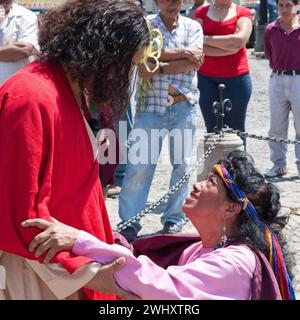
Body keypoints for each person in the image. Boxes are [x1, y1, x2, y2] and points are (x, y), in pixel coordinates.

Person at [0, 0, 150, 300]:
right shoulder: (30, 97)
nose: (123, 78)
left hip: (70, 268)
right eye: (125, 66)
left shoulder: (68, 89)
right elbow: (21, 215)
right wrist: (91, 272)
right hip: (40, 275)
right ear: (102, 53)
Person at [22, 150, 296, 300]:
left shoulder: (235, 262)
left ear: (230, 208)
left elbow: (163, 287)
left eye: (211, 183)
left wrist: (81, 241)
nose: (197, 184)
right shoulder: (201, 249)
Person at [117, 0, 204, 242]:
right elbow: (143, 55)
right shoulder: (144, 26)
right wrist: (183, 53)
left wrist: (159, 67)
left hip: (183, 105)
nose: (172, 3)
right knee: (139, 166)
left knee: (184, 165)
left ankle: (174, 218)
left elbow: (194, 61)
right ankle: (130, 222)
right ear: (156, 1)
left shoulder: (193, 27)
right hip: (150, 107)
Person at [194, 0, 252, 136]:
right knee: (211, 129)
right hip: (205, 78)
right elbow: (194, 41)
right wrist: (229, 48)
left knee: (236, 130)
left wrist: (205, 39)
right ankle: (215, 158)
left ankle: (236, 158)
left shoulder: (242, 12)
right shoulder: (201, 12)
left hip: (237, 78)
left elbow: (240, 40)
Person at [264, 0, 300, 178]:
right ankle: (279, 164)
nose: (284, 9)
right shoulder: (271, 29)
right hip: (277, 79)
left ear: (297, 5)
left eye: (288, 5)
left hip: (299, 79)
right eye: (281, 5)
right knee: (277, 126)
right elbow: (269, 54)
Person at [0, 0, 39, 85]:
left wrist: (14, 50)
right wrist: (7, 50)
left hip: (14, 89)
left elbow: (24, 50)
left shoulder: (26, 16)